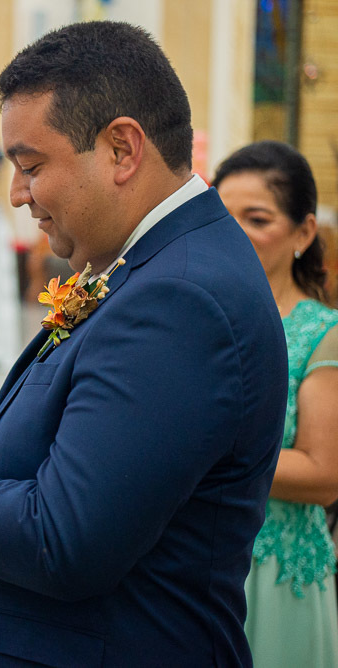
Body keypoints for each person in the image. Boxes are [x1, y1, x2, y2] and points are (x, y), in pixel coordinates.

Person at [0, 21, 290, 666]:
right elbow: (76, 453)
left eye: (31, 166)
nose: (18, 193)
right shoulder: (149, 261)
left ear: (122, 149)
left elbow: (63, 541)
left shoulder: (179, 298)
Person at [212, 141, 338, 667]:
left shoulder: (320, 334)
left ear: (303, 233)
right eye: (222, 217)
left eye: (257, 218)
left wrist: (203, 455)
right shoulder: (198, 319)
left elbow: (323, 471)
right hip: (197, 563)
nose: (235, 233)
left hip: (275, 573)